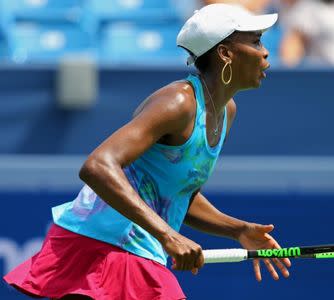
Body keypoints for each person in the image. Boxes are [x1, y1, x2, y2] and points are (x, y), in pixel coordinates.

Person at [3, 4, 290, 300]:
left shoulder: (227, 112)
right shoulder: (178, 102)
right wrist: (168, 235)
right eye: (255, 41)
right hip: (100, 245)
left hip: (136, 249)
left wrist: (238, 230)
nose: (265, 52)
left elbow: (176, 194)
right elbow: (98, 165)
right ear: (226, 54)